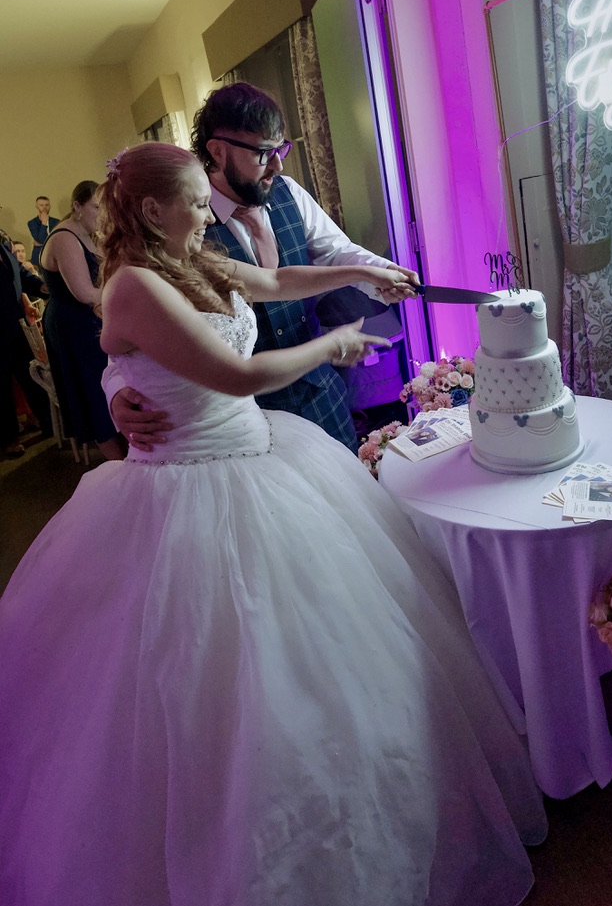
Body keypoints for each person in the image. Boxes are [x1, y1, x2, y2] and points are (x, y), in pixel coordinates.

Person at [0, 142, 546, 906]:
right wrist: (332, 344)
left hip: (266, 460)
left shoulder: (194, 257)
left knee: (344, 669)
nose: (206, 208)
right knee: (222, 697)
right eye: (195, 197)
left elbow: (280, 278)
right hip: (185, 491)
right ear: (153, 208)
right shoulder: (130, 285)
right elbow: (236, 375)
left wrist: (359, 271)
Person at [105, 82, 418, 454]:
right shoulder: (175, 240)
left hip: (318, 395)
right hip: (240, 421)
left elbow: (305, 266)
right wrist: (116, 393)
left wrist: (374, 272)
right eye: (264, 152)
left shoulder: (281, 196)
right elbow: (131, 350)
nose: (278, 164)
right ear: (218, 152)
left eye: (280, 148)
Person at [40, 181, 125, 461]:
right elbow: (85, 292)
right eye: (96, 208)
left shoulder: (90, 234)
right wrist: (128, 292)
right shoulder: (65, 237)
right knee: (93, 390)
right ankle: (119, 465)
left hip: (91, 319)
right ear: (77, 206)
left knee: (109, 383)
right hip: (73, 324)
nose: (102, 215)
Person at [0, 235, 52, 457]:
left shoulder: (3, 246)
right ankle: (8, 440)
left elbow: (19, 275)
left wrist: (43, 287)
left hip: (16, 326)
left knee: (32, 375)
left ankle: (48, 423)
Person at [27, 195, 60, 269]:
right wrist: (44, 222)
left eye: (47, 205)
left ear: (50, 206)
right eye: (41, 205)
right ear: (37, 206)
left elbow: (57, 240)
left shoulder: (57, 222)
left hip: (53, 255)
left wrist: (40, 243)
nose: (44, 207)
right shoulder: (32, 223)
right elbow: (41, 240)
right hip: (38, 256)